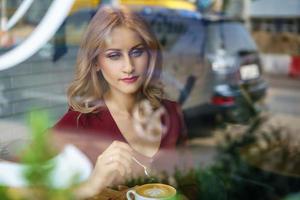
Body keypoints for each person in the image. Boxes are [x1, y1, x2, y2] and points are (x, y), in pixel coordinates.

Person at [53, 5, 187, 199]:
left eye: (137, 52)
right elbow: (25, 189)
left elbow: (190, 184)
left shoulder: (172, 112)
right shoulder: (78, 124)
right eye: (114, 55)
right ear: (96, 62)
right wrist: (92, 185)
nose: (128, 67)